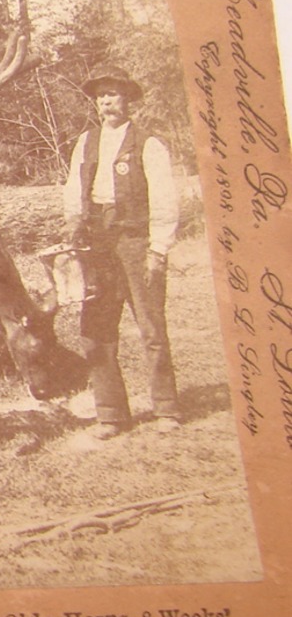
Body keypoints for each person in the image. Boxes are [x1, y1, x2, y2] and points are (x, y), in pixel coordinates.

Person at [62, 64, 182, 431]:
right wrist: (73, 227)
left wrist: (158, 249)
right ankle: (111, 413)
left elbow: (164, 200)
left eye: (113, 94)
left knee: (150, 326)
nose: (106, 101)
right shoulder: (87, 141)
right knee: (95, 328)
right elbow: (72, 191)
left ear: (128, 99)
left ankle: (166, 409)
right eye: (100, 96)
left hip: (136, 241)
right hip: (97, 243)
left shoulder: (149, 143)